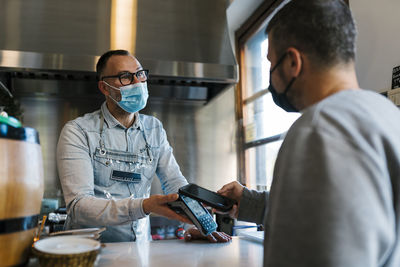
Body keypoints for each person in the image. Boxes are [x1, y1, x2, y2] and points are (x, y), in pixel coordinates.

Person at [218, 0, 400, 266]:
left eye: (271, 63)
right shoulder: (388, 116)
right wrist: (248, 201)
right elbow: (341, 215)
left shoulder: (320, 130)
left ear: (292, 62)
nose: (271, 74)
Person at [57, 49, 231, 243]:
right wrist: (144, 206)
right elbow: (79, 207)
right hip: (89, 252)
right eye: (125, 77)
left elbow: (175, 183)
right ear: (104, 88)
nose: (137, 83)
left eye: (140, 74)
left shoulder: (154, 128)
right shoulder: (78, 131)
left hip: (139, 250)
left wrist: (193, 224)